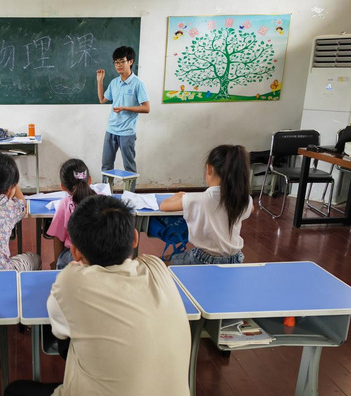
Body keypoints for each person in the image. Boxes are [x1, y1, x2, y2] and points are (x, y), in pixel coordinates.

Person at [3, 195, 191, 396]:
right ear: (134, 239)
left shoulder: (71, 281)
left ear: (75, 252)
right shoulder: (157, 269)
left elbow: (59, 328)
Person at [159, 144, 253, 264]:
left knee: (160, 264)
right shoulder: (244, 200)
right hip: (235, 259)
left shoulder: (197, 199)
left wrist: (179, 195)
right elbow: (251, 209)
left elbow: (164, 205)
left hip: (203, 259)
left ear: (209, 169)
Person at [96, 45, 150, 192]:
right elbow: (102, 99)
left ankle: (130, 195)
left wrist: (125, 108)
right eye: (116, 62)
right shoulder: (114, 82)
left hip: (127, 132)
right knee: (106, 165)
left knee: (129, 167)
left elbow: (146, 108)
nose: (118, 65)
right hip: (111, 129)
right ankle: (106, 194)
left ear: (130, 61)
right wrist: (100, 81)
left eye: (122, 61)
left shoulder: (138, 84)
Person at [47, 159, 96, 269]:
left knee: (63, 262)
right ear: (90, 180)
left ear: (63, 187)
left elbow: (58, 238)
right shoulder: (104, 200)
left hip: (73, 257)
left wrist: (56, 262)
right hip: (100, 256)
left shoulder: (64, 204)